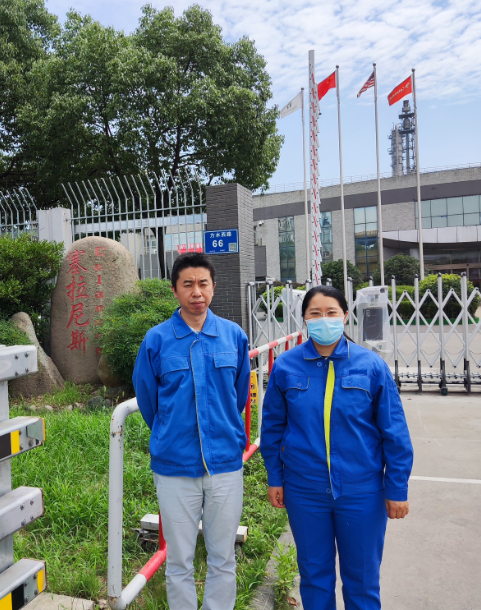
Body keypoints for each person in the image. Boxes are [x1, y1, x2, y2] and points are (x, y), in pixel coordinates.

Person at [260, 285, 413, 610]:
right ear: (304, 319)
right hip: (305, 490)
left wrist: (397, 487)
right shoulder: (286, 366)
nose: (324, 319)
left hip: (362, 492)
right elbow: (272, 427)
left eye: (331, 312)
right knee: (314, 577)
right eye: (315, 313)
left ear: (344, 316)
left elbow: (395, 432)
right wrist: (275, 477)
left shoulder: (371, 366)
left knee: (362, 580)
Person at [132, 252, 251, 610]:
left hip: (224, 464)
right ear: (175, 290)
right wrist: (172, 430)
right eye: (188, 285)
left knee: (222, 557)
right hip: (174, 466)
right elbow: (148, 400)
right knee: (179, 560)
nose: (196, 292)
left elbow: (239, 396)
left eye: (203, 283)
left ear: (213, 287)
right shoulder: (156, 340)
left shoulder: (233, 336)